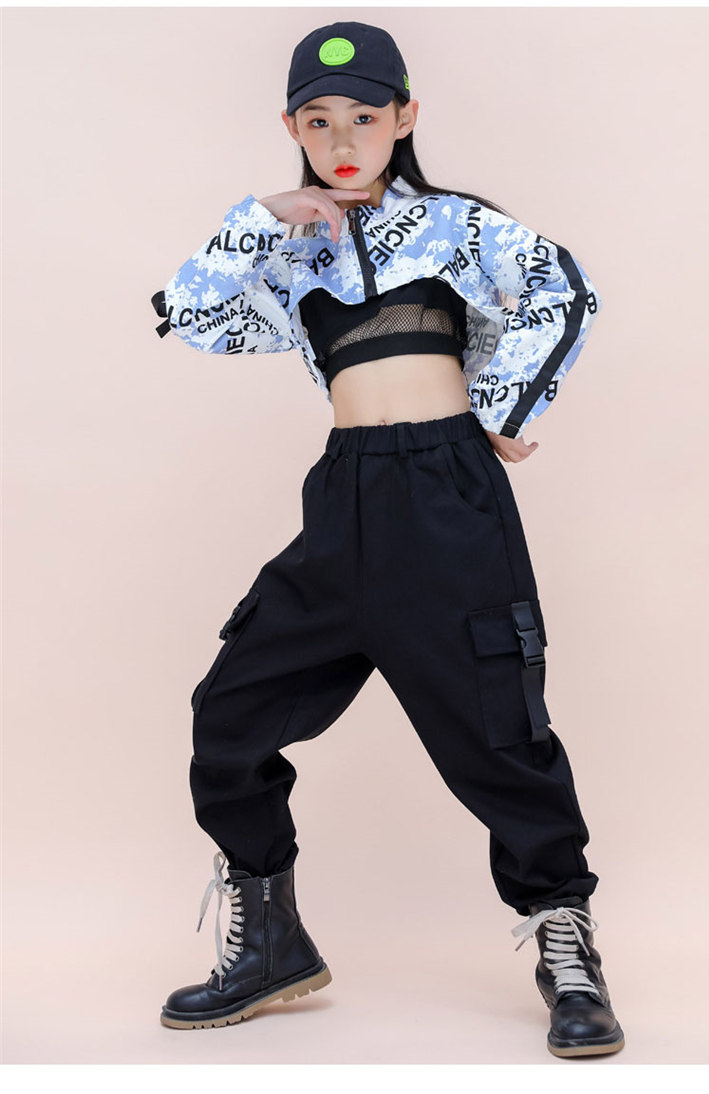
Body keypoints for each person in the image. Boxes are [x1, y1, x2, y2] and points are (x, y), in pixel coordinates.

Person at [151, 20, 625, 1058]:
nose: (343, 139)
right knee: (228, 716)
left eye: (365, 116)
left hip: (447, 495)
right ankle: (272, 942)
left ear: (405, 117)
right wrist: (257, 219)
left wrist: (504, 406)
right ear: (292, 129)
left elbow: (565, 287)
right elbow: (187, 315)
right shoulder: (288, 252)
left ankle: (566, 944)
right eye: (318, 121)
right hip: (343, 501)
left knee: (500, 734)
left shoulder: (456, 226)